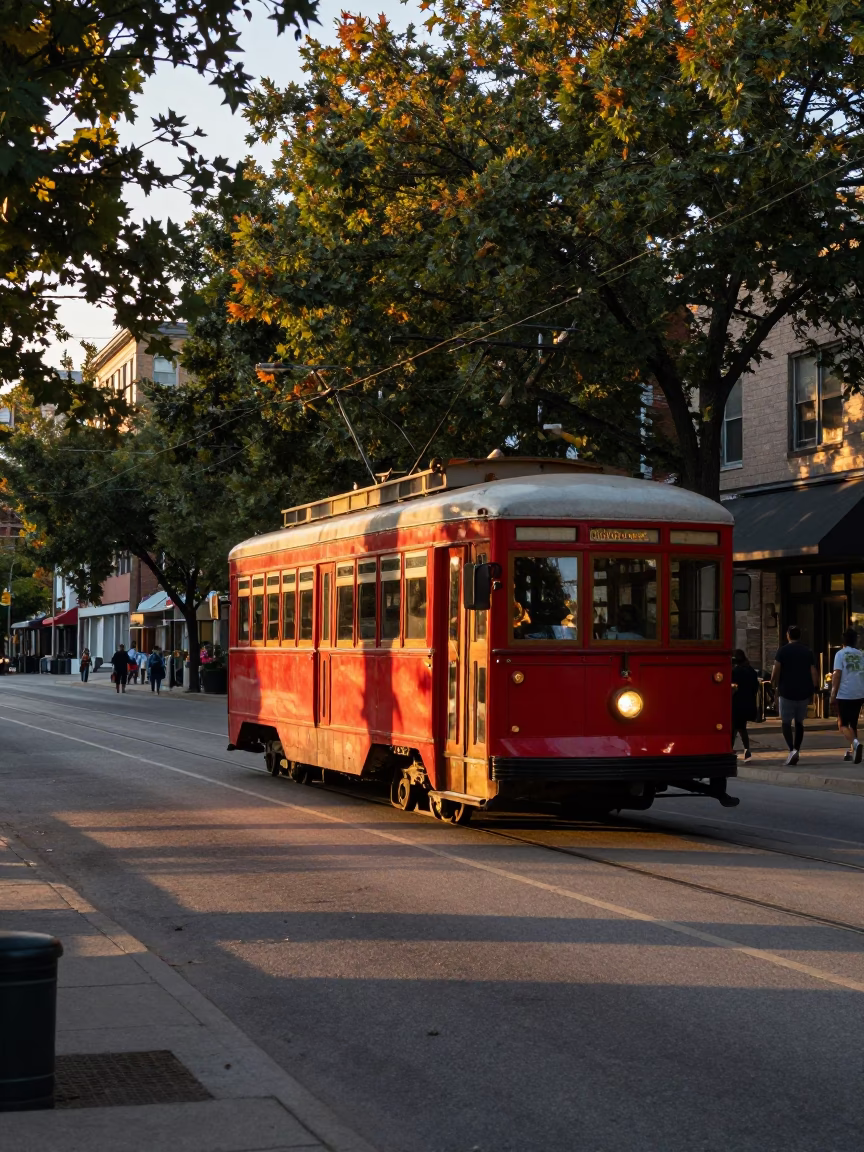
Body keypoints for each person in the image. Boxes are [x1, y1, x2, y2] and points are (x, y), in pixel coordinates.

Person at [770, 625, 818, 765]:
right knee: (799, 723)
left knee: (785, 722)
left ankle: (791, 749)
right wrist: (815, 687)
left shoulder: (783, 651)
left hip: (787, 691)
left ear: (788, 635)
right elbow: (813, 670)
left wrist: (773, 684)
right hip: (803, 691)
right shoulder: (807, 651)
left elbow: (776, 669)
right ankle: (797, 748)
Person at [829, 627, 864, 763]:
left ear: (843, 641)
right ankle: (854, 751)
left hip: (845, 693)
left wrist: (833, 694)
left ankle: (855, 743)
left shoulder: (840, 654)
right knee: (853, 723)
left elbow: (837, 674)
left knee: (842, 724)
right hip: (859, 693)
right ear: (855, 641)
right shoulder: (861, 654)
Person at [731, 649, 759, 761]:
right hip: (748, 703)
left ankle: (730, 749)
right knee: (741, 727)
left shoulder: (736, 672)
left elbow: (732, 687)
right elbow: (755, 688)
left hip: (737, 703)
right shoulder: (751, 671)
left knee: (734, 727)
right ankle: (746, 749)